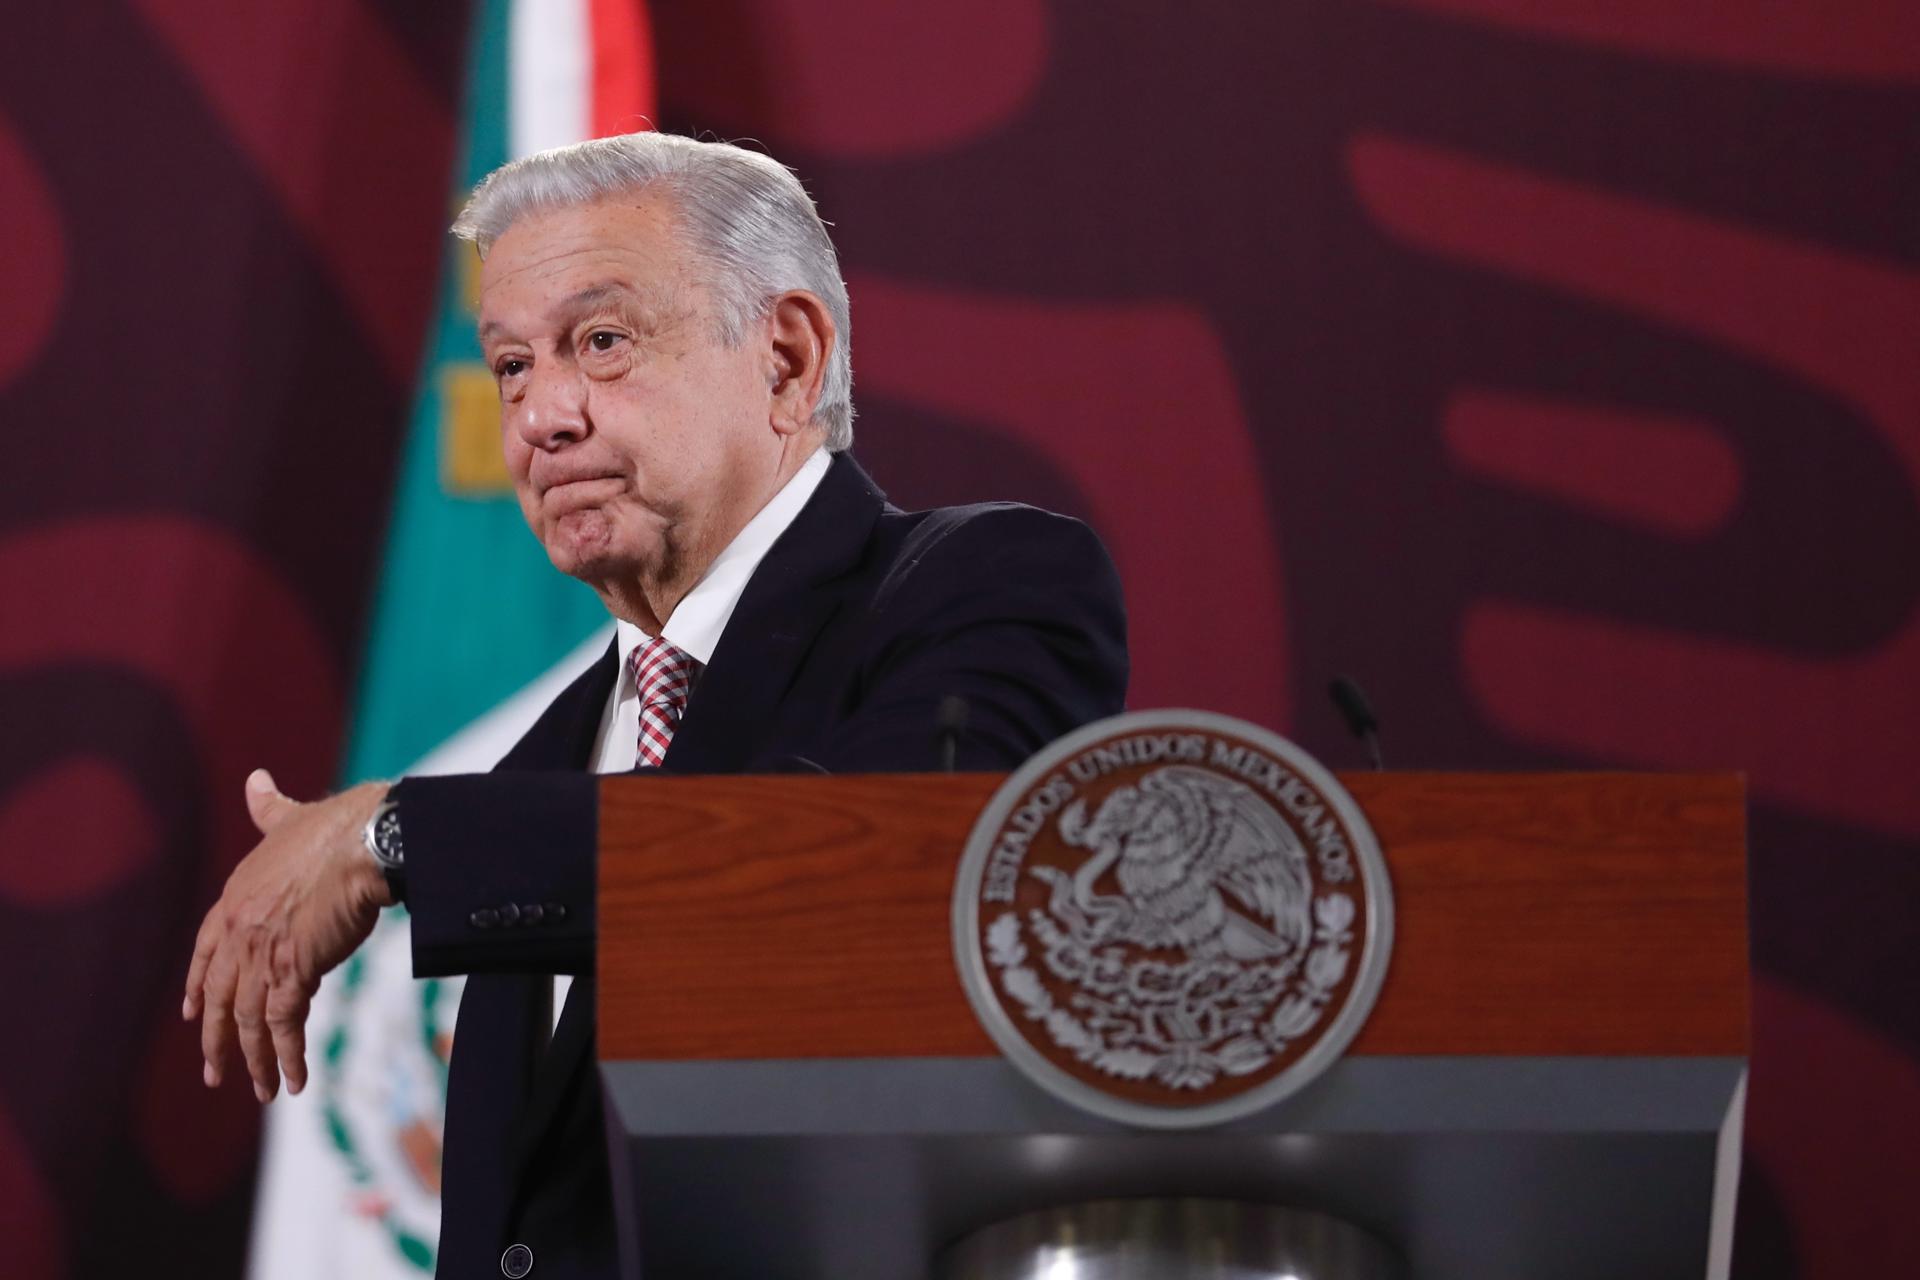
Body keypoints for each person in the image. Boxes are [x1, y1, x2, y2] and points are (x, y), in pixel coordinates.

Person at [182, 131, 1128, 1279]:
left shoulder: (982, 586)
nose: (539, 418)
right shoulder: (534, 754)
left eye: (602, 340)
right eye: (513, 365)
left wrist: (394, 833)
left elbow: (863, 865)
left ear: (785, 358)